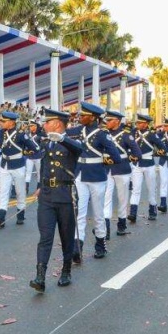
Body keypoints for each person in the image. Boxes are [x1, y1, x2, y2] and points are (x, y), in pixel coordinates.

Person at [29, 108, 84, 292]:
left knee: (66, 236)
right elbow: (45, 166)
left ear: (57, 124)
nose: (43, 125)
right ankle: (40, 276)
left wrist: (63, 139)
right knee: (45, 237)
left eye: (47, 122)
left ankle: (66, 270)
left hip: (65, 194)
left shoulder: (72, 142)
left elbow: (79, 150)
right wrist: (40, 185)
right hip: (47, 195)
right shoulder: (46, 143)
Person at [69, 102, 122, 261]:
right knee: (79, 212)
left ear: (92, 117)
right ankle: (78, 246)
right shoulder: (80, 130)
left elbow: (116, 157)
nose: (80, 117)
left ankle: (100, 243)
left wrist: (104, 161)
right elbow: (65, 133)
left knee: (98, 213)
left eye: (83, 115)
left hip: (97, 176)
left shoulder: (102, 134)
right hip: (80, 176)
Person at [0, 111, 39, 228]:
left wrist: (27, 152)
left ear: (11, 122)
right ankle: (0, 217)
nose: (1, 123)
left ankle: (20, 215)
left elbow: (35, 148)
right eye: (1, 121)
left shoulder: (21, 134)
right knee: (3, 191)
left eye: (4, 121)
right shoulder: (0, 133)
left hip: (18, 165)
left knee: (19, 191)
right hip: (4, 165)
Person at [102, 111, 141, 237]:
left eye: (109, 120)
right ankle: (106, 228)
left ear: (117, 121)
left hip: (121, 169)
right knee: (106, 199)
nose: (106, 122)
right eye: (106, 120)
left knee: (122, 199)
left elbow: (137, 154)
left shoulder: (126, 136)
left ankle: (121, 225)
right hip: (107, 169)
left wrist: (128, 158)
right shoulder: (104, 134)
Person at [130, 114, 165, 221]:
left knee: (151, 189)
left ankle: (152, 211)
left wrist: (156, 154)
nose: (137, 124)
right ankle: (133, 213)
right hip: (137, 165)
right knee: (135, 189)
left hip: (149, 164)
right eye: (137, 123)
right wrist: (130, 155)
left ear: (145, 124)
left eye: (139, 123)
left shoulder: (152, 135)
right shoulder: (133, 133)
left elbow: (162, 147)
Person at [24, 121, 45, 194]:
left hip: (38, 157)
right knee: (28, 172)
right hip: (30, 156)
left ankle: (38, 188)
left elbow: (42, 146)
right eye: (29, 126)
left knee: (39, 173)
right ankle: (26, 188)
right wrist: (26, 151)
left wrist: (38, 150)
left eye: (32, 126)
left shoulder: (40, 135)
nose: (30, 127)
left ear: (35, 126)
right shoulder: (27, 135)